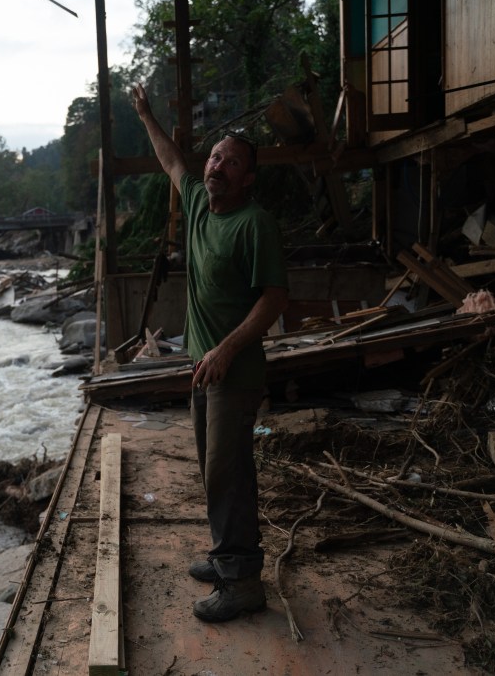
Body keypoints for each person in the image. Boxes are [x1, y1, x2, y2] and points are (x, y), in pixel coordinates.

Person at [131, 83, 289, 623]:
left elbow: (274, 298)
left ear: (247, 178)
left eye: (232, 162)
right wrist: (148, 114)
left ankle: (242, 581)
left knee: (228, 471)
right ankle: (227, 557)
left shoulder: (254, 225)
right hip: (202, 366)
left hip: (235, 371)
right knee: (212, 469)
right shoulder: (199, 203)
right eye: (216, 156)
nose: (218, 165)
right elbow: (171, 158)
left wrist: (224, 348)